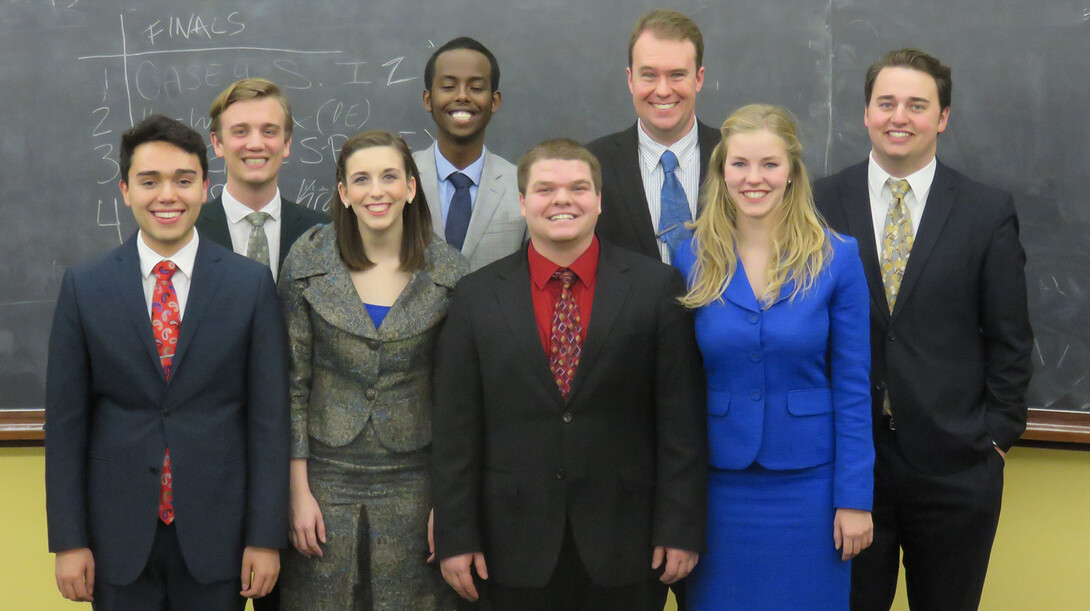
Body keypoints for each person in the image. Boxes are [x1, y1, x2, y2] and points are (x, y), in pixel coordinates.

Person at [431, 138, 706, 610]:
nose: (562, 199)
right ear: (522, 202)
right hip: (509, 547)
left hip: (626, 542)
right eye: (545, 189)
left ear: (600, 201)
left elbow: (680, 420)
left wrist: (679, 527)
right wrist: (457, 535)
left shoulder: (655, 288)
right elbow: (456, 429)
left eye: (578, 188)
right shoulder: (475, 296)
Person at [814, 49, 1033, 610]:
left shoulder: (986, 211)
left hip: (956, 469)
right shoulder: (817, 202)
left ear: (942, 117)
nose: (899, 117)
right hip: (848, 471)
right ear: (865, 113)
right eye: (886, 103)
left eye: (917, 105)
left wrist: (996, 439)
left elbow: (1010, 337)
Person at [45, 114, 290, 609]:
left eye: (183, 180)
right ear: (125, 189)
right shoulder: (84, 287)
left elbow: (269, 421)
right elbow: (67, 425)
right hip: (116, 539)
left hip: (218, 536)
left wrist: (265, 537)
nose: (167, 196)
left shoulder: (249, 285)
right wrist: (69, 542)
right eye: (149, 181)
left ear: (204, 187)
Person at [673, 104, 874, 609]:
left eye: (769, 164)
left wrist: (854, 499)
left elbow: (853, 387)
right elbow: (678, 384)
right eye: (739, 164)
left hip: (811, 491)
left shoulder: (837, 256)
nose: (754, 178)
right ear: (721, 172)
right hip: (718, 490)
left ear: (792, 173)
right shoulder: (688, 254)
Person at [277, 130, 468, 609]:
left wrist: (449, 503)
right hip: (324, 480)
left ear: (411, 187)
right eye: (360, 180)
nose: (375, 191)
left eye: (389, 177)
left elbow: (458, 400)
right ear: (343, 192)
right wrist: (297, 493)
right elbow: (292, 387)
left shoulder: (451, 273)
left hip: (416, 480)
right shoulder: (308, 259)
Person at [587, 9, 720, 264]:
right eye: (649, 75)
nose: (662, 90)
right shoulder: (592, 165)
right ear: (630, 80)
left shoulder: (736, 159)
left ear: (699, 79)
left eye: (677, 75)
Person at [197, 78, 328, 282]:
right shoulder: (189, 231)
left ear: (286, 142)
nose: (256, 144)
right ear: (217, 143)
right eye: (241, 131)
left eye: (269, 132)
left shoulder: (322, 232)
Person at [414, 36, 526, 271]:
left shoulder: (522, 186)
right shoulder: (400, 178)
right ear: (428, 99)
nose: (462, 96)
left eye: (476, 88)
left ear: (494, 101)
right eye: (448, 87)